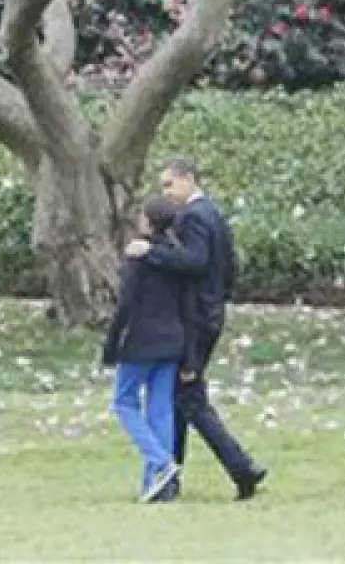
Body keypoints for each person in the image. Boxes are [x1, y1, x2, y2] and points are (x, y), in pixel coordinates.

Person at [126, 157, 268, 501]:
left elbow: (195, 261)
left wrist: (151, 252)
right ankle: (174, 474)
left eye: (169, 184)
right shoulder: (213, 215)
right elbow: (227, 266)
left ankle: (236, 469)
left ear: (189, 180)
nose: (166, 193)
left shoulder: (194, 216)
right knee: (181, 400)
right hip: (207, 314)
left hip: (195, 321)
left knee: (189, 401)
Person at [102, 196, 187, 504]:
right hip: (172, 339)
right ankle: (158, 483)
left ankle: (160, 462)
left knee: (124, 402)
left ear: (148, 221)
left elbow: (126, 304)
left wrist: (111, 344)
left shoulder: (139, 257)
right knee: (161, 407)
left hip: (140, 340)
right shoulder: (176, 257)